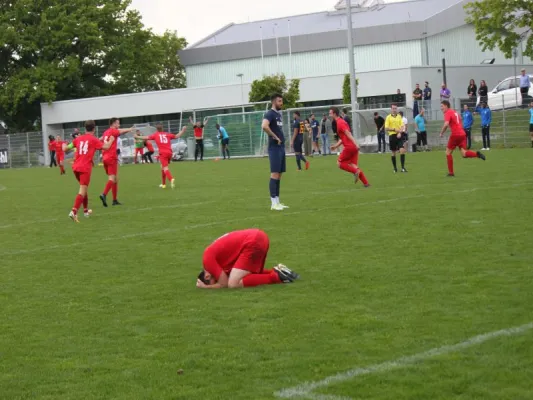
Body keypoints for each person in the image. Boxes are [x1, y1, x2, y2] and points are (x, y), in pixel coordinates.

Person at [196, 229, 299, 289]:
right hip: (257, 236)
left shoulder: (207, 260)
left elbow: (224, 283)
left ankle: (276, 277)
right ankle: (278, 271)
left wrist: (206, 287)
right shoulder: (214, 258)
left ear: (207, 276)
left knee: (233, 284)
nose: (218, 280)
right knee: (241, 275)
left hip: (252, 241)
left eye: (215, 281)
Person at [64, 120, 114, 222]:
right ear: (94, 129)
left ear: (85, 128)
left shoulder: (78, 139)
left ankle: (86, 211)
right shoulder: (93, 139)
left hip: (75, 167)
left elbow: (66, 148)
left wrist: (63, 146)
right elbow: (107, 147)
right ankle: (73, 212)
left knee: (84, 188)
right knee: (82, 190)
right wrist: (111, 140)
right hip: (85, 168)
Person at [439, 100, 485, 177]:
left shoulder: (448, 113)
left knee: (448, 153)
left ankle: (451, 173)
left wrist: (441, 133)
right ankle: (477, 154)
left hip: (455, 134)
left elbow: (446, 124)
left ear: (446, 106)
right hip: (462, 134)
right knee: (464, 154)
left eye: (442, 106)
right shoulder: (455, 112)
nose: (441, 108)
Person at [134, 124, 187, 189]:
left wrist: (137, 136)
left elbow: (146, 137)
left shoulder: (156, 135)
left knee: (165, 168)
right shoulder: (167, 134)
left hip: (163, 153)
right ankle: (163, 184)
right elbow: (177, 136)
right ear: (162, 128)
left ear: (157, 129)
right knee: (162, 167)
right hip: (169, 153)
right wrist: (183, 130)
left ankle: (171, 179)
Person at [329, 107, 370, 187]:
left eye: (330, 113)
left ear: (334, 114)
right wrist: (336, 146)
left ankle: (355, 172)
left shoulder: (340, 122)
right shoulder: (340, 122)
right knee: (353, 166)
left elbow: (348, 133)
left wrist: (356, 143)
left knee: (339, 163)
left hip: (350, 147)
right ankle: (366, 183)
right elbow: (343, 137)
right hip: (353, 147)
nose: (329, 115)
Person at [99, 118, 134, 207]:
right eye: (118, 123)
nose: (119, 125)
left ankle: (114, 200)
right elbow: (120, 131)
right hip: (111, 157)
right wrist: (129, 129)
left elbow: (101, 139)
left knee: (115, 179)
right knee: (112, 178)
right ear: (113, 123)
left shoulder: (106, 132)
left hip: (105, 158)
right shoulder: (113, 131)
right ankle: (104, 194)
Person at [262, 94, 289, 211]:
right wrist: (275, 137)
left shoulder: (278, 115)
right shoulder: (269, 113)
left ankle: (277, 201)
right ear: (274, 102)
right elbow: (264, 126)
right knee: (274, 174)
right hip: (274, 148)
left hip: (281, 148)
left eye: (281, 101)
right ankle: (273, 203)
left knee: (279, 174)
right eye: (279, 101)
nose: (281, 103)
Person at [385, 104, 407, 173]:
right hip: (392, 136)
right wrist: (394, 129)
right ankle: (395, 168)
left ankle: (403, 168)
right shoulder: (388, 117)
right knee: (393, 152)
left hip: (399, 135)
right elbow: (386, 128)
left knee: (402, 150)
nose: (394, 110)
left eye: (395, 108)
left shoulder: (399, 116)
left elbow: (402, 126)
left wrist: (400, 133)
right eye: (393, 108)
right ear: (391, 109)